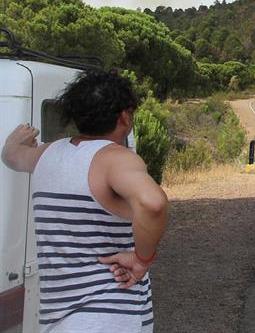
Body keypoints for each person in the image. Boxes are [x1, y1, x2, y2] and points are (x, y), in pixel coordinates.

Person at [1, 71, 168, 333]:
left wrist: (11, 143)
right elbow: (152, 203)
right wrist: (141, 260)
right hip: (109, 317)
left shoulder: (47, 154)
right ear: (125, 116)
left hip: (59, 317)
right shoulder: (116, 159)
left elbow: (13, 157)